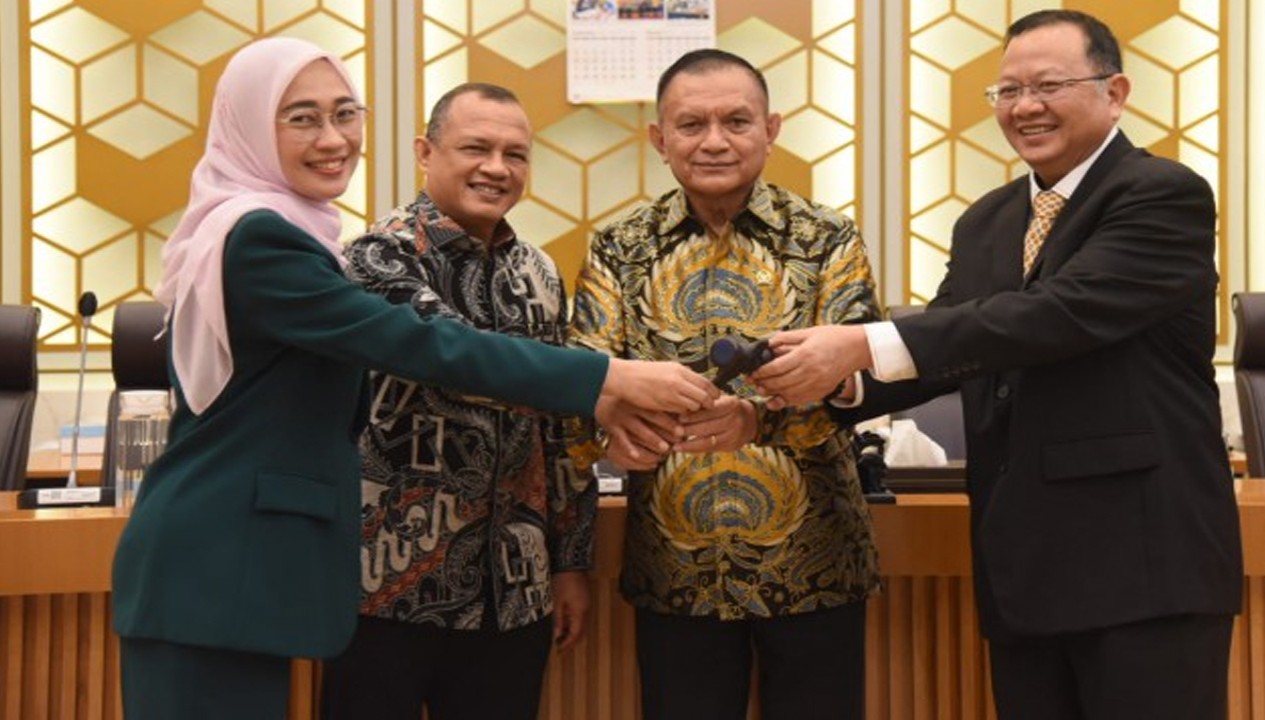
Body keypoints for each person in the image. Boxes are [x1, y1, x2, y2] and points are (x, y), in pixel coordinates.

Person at [109, 38, 716, 720]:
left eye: (345, 113)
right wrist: (610, 375)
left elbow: (540, 429)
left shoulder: (287, 232)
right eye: (301, 118)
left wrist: (601, 428)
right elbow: (427, 346)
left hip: (273, 574)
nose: (333, 138)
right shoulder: (267, 241)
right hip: (248, 570)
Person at [753, 10, 1243, 720]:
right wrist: (821, 385)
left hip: (1145, 569)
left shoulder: (1161, 194)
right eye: (1006, 91)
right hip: (1024, 569)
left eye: (1048, 85)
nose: (1025, 107)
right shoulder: (985, 218)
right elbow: (951, 352)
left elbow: (1057, 314)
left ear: (1116, 92)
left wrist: (861, 342)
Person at [568, 48, 881, 720]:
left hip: (815, 564)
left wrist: (757, 422)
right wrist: (610, 429)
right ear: (659, 138)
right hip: (674, 568)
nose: (714, 141)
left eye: (736, 121)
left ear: (771, 129)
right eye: (691, 125)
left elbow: (861, 386)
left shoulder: (829, 238)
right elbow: (582, 380)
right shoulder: (619, 247)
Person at [319, 83, 592, 720]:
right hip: (385, 586)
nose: (497, 168)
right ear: (425, 151)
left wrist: (570, 563)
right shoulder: (375, 258)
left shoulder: (541, 273)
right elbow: (461, 358)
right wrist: (609, 381)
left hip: (513, 589)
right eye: (476, 147)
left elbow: (562, 434)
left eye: (516, 154)